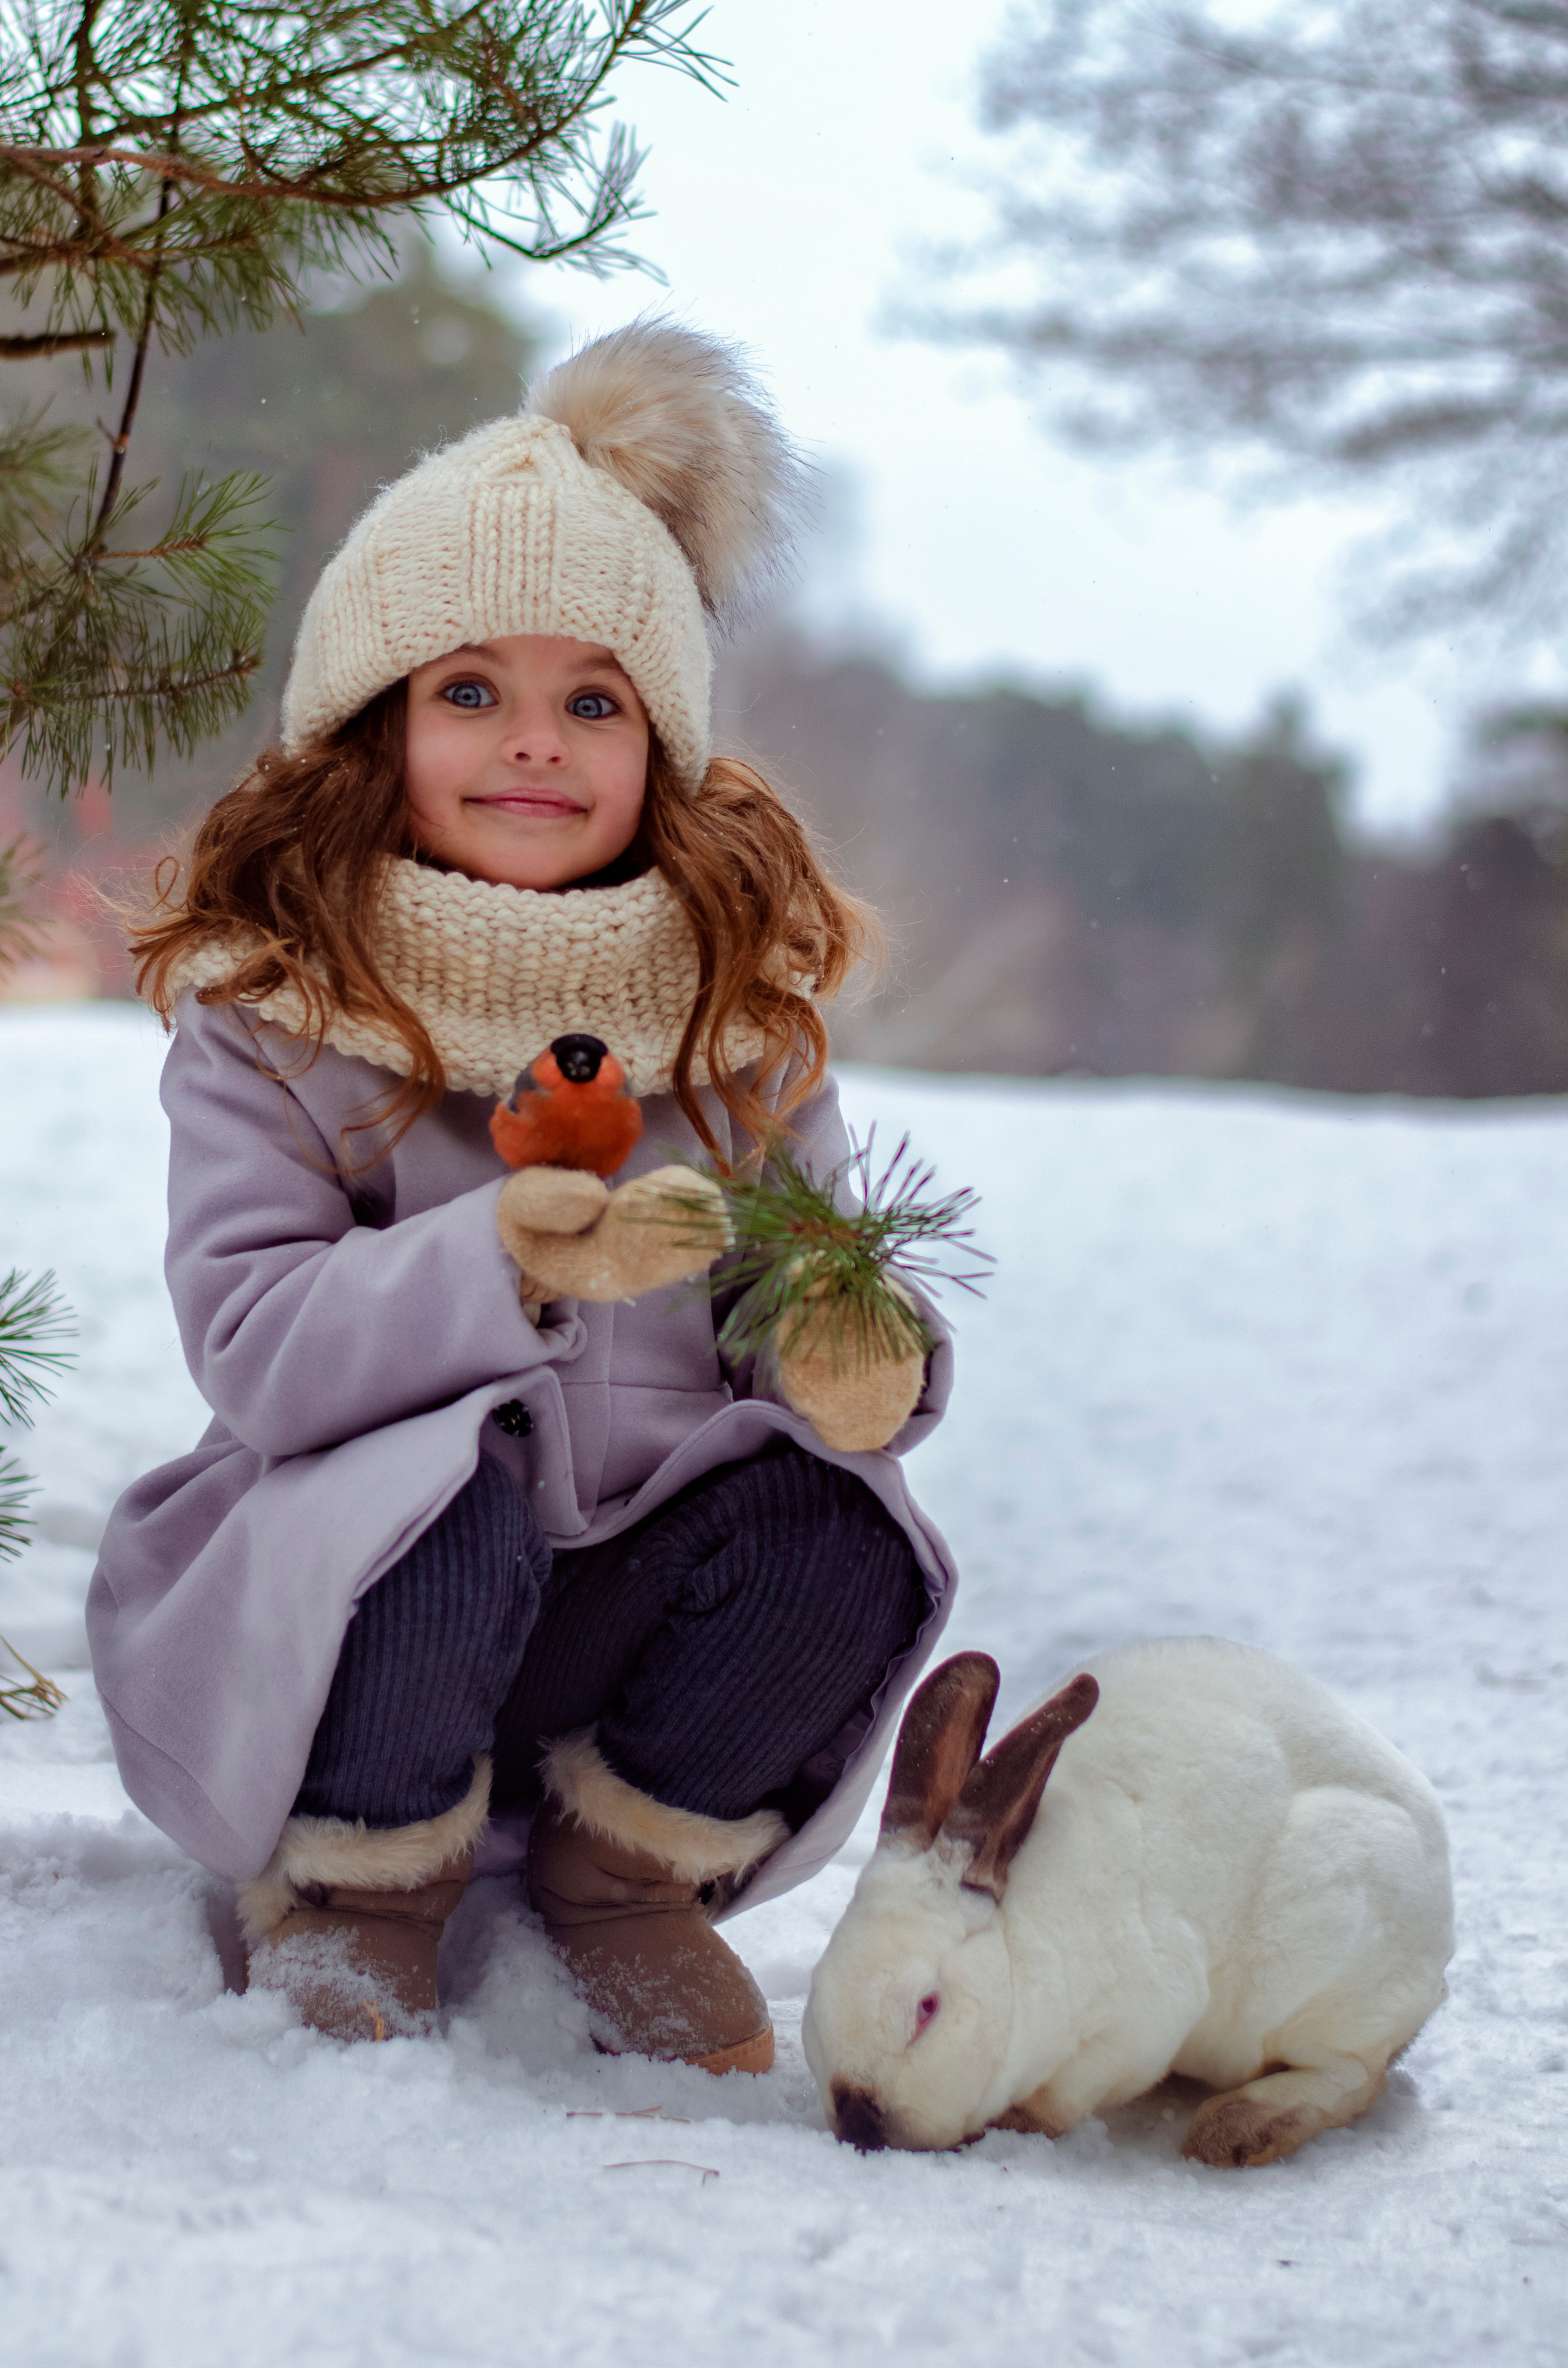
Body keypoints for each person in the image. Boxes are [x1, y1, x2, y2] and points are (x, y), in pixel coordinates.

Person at [90, 323, 957, 2072]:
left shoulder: (733, 1032)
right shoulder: (279, 1015)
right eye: (469, 691)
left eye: (593, 700)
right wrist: (496, 1258)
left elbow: (802, 1296)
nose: (534, 746)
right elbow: (258, 1346)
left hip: (609, 1617)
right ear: (377, 724)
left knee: (837, 1525)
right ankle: (357, 1884)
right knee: (449, 1490)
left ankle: (626, 1872)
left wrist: (857, 1341)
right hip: (354, 1612)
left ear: (661, 742)